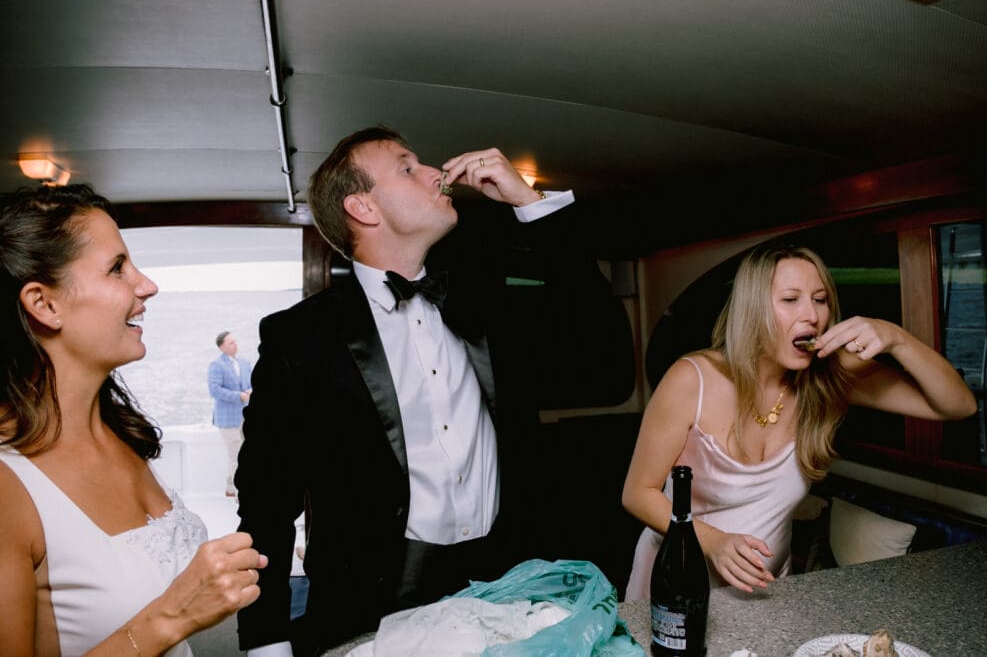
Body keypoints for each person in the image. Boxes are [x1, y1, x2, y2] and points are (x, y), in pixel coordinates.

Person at [235, 126, 631, 655]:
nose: (436, 172)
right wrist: (267, 642)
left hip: (505, 584)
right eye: (407, 166)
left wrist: (528, 201)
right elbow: (266, 502)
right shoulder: (298, 339)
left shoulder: (484, 301)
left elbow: (600, 341)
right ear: (363, 207)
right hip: (371, 601)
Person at [0, 184, 269, 656]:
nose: (147, 285)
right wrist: (174, 615)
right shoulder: (8, 485)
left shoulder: (118, 431)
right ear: (44, 305)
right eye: (117, 268)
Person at [621, 243, 977, 598]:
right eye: (791, 300)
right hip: (677, 586)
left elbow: (958, 406)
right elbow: (638, 493)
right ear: (753, 309)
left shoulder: (830, 378)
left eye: (820, 299)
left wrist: (898, 339)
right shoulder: (692, 379)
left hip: (766, 593)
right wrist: (713, 542)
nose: (811, 315)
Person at [208, 330, 253, 497]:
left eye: (235, 341)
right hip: (227, 419)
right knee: (236, 454)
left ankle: (231, 488)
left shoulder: (245, 362)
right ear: (222, 347)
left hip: (245, 416)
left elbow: (251, 384)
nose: (235, 345)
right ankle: (239, 491)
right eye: (231, 343)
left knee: (244, 453)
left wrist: (249, 391)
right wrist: (239, 396)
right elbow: (215, 390)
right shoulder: (216, 365)